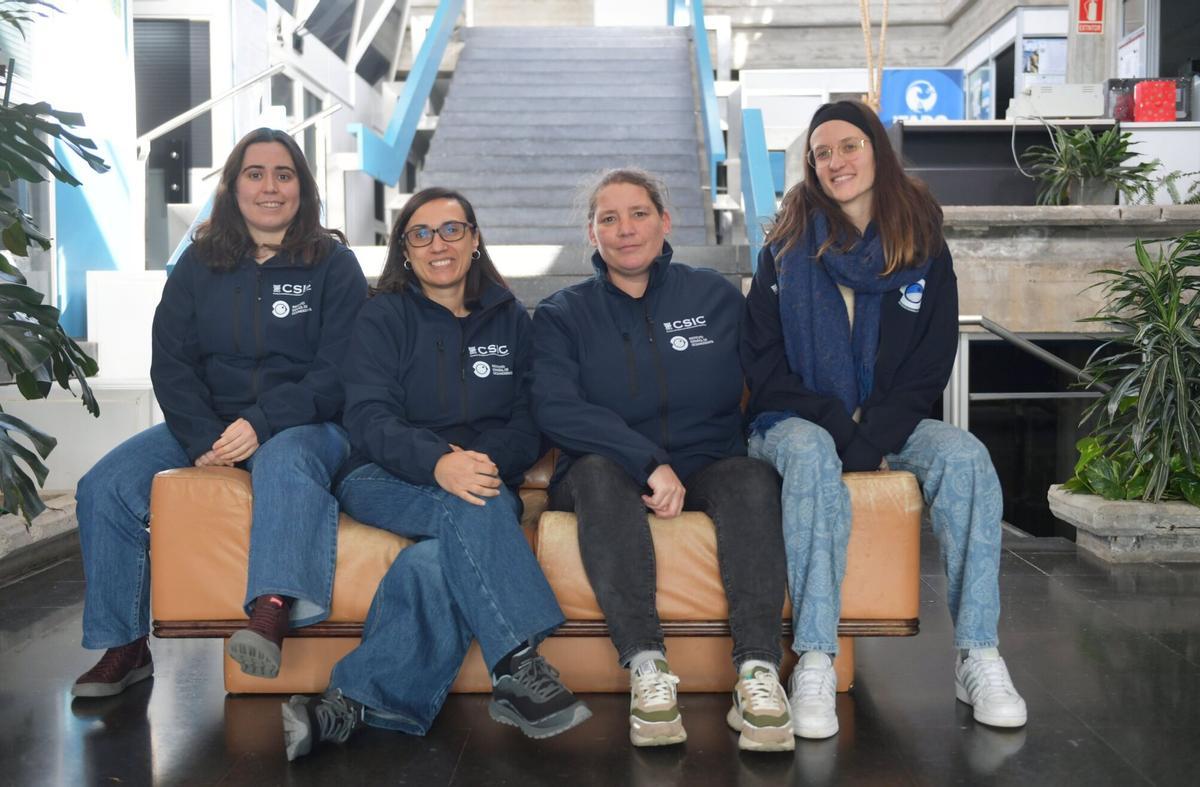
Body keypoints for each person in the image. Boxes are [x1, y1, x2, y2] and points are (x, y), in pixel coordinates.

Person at [741, 100, 1028, 739]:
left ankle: (978, 652)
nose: (835, 161)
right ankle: (815, 656)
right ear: (811, 167)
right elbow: (762, 364)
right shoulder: (783, 248)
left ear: (876, 149)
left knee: (965, 457)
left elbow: (930, 363)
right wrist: (846, 431)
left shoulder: (922, 245)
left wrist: (872, 435)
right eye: (821, 153)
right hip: (793, 419)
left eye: (848, 146)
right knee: (813, 451)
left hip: (887, 421)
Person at [280, 187, 590, 761]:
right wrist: (437, 460)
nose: (437, 244)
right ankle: (519, 662)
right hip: (382, 476)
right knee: (478, 503)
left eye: (451, 230)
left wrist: (478, 462)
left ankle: (347, 704)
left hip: (483, 475)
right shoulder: (382, 316)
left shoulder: (513, 321)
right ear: (405, 250)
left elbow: (531, 420)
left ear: (474, 239)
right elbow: (368, 415)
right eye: (420, 234)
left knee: (437, 552)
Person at [71, 128, 368, 697]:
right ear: (233, 188)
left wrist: (260, 423)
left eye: (284, 175)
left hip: (308, 423)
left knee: (283, 459)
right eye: (255, 174)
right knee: (104, 487)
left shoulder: (333, 263)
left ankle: (271, 612)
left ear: (302, 190)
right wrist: (203, 437)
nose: (270, 187)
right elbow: (172, 362)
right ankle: (125, 645)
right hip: (210, 424)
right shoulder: (199, 264)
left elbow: (340, 370)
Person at [530, 168, 793, 752]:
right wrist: (646, 460)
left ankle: (757, 671)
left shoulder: (715, 296)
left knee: (753, 479)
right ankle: (648, 669)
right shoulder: (561, 315)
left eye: (639, 213)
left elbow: (772, 371)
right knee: (597, 473)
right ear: (592, 235)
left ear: (665, 221)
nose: (626, 229)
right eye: (609, 218)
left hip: (708, 460)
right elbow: (555, 407)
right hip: (605, 470)